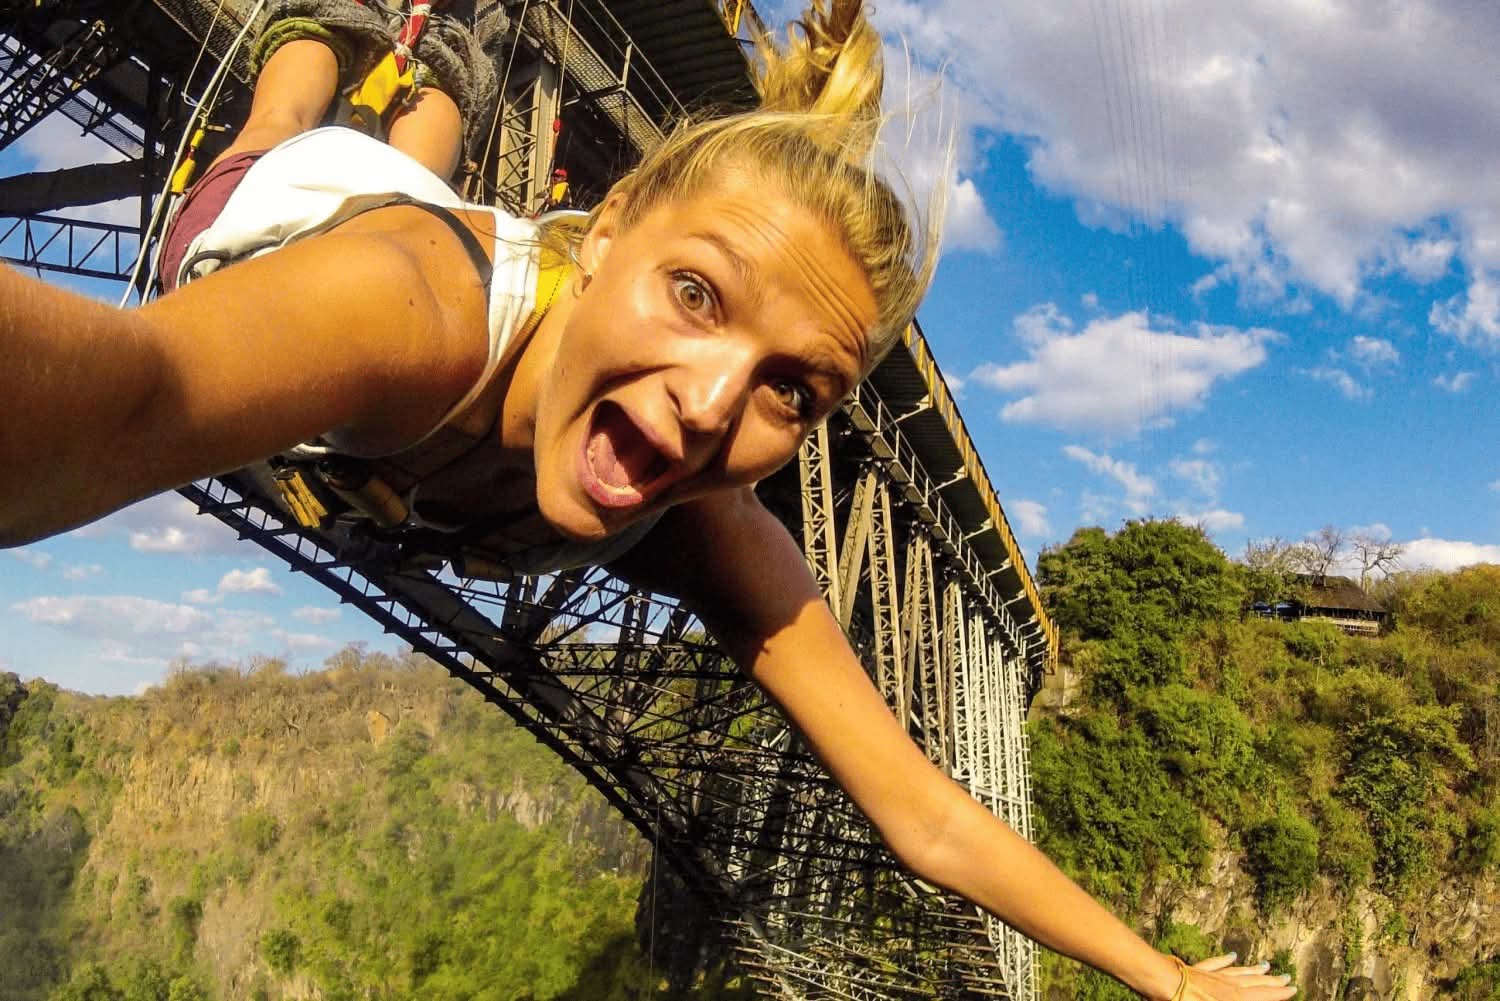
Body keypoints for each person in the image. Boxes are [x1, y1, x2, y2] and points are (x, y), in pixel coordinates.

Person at [0, 2, 1296, 997]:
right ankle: (323, 38)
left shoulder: (711, 521)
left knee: (419, 164)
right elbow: (130, 396)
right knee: (280, 137)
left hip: (419, 238)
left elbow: (929, 815)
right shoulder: (406, 311)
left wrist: (1168, 977)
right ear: (609, 224)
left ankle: (444, 64)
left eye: (793, 388)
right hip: (289, 228)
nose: (713, 402)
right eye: (697, 295)